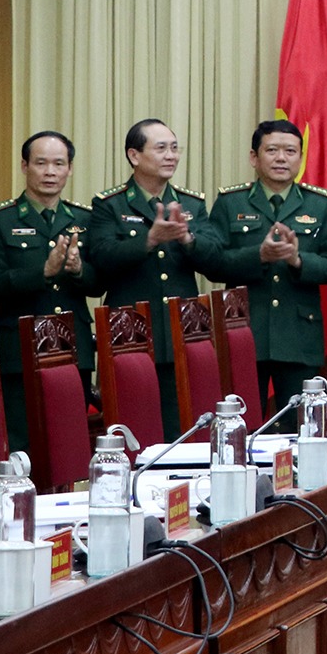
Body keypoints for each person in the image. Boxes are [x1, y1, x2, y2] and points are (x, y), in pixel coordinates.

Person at [83, 118, 215, 440]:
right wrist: (149, 240)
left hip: (181, 333)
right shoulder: (110, 204)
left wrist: (188, 240)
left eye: (175, 148)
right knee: (133, 428)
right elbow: (101, 257)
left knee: (182, 428)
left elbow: (216, 258)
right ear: (134, 155)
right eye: (161, 148)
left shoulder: (191, 203)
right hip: (130, 334)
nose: (171, 155)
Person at [198, 120, 327, 412]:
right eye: (272, 150)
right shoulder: (230, 202)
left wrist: (297, 260)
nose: (281, 158)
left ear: (301, 158)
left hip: (299, 333)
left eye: (290, 151)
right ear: (254, 157)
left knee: (303, 423)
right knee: (243, 421)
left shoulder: (321, 204)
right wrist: (258, 256)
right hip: (244, 331)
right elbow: (212, 263)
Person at [0, 131, 100, 454]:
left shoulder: (85, 219)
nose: (50, 172)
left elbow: (99, 283)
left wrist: (78, 270)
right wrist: (42, 272)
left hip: (72, 347)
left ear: (70, 169)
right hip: (19, 348)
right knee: (23, 446)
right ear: (24, 166)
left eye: (59, 164)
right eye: (41, 163)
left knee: (69, 446)